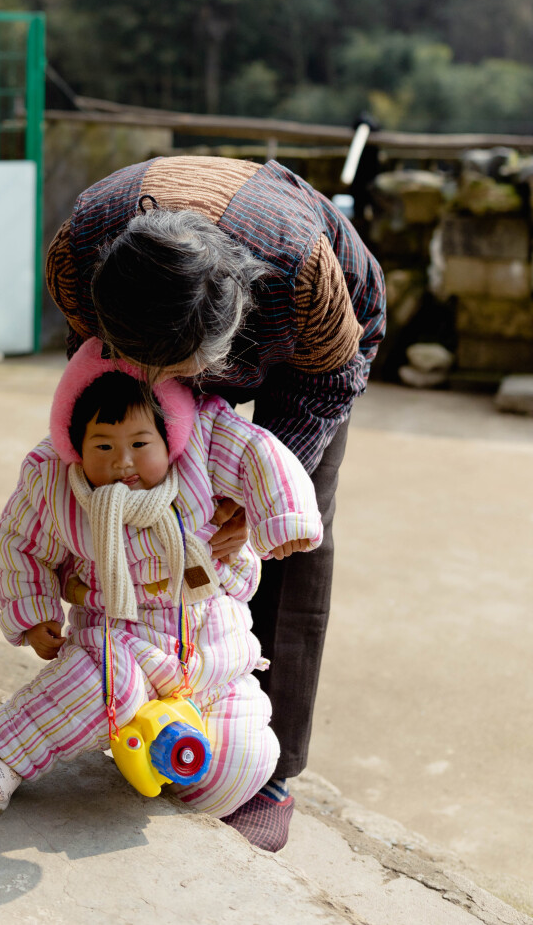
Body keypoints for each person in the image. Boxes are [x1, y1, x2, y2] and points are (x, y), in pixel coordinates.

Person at [44, 155, 386, 849]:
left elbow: (332, 380)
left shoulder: (301, 275)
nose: (169, 385)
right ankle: (162, 709)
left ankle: (271, 768)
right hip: (155, 331)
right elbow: (92, 378)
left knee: (292, 531)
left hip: (313, 360)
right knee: (141, 496)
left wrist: (255, 498)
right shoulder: (80, 250)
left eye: (183, 373)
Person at [0, 340, 322, 841]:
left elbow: (259, 452)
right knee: (95, 684)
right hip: (123, 639)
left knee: (247, 754)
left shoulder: (202, 444)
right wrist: (34, 612)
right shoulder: (56, 483)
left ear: (167, 435)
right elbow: (20, 542)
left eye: (140, 444)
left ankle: (166, 762)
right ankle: (3, 756)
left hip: (211, 647)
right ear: (75, 443)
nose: (124, 462)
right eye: (103, 446)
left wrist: (284, 518)